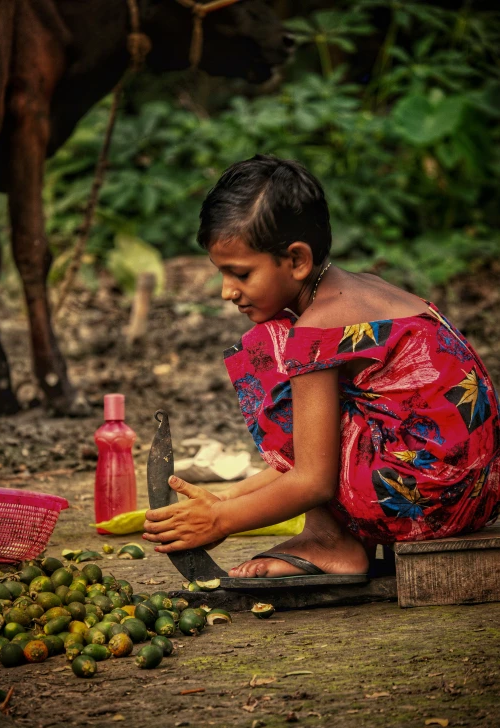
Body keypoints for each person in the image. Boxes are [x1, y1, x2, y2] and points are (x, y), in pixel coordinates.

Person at [143, 154, 500, 579]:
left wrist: (221, 521)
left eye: (239, 273)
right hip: (475, 491)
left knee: (266, 351)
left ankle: (329, 541)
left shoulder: (315, 330)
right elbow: (323, 447)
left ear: (296, 260)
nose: (226, 291)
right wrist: (226, 500)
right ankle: (329, 535)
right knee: (290, 362)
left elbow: (313, 479)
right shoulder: (364, 289)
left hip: (423, 501)